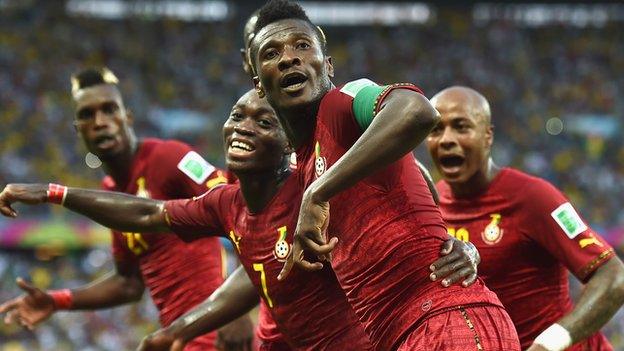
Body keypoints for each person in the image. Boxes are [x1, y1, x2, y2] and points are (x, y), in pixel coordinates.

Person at [0, 90, 480, 351]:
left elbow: (408, 174)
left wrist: (460, 246)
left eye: (264, 121)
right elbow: (150, 215)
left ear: (289, 143)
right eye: (237, 116)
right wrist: (54, 192)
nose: (243, 127)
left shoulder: (315, 189)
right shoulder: (228, 204)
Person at [246, 1, 519, 350]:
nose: (289, 58)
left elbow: (417, 111)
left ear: (327, 64)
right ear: (258, 84)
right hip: (403, 335)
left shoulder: (346, 99)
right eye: (272, 53)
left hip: (446, 322)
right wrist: (459, 244)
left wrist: (319, 191)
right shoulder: (303, 162)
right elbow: (420, 183)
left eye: (302, 45)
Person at [0, 68, 252, 351]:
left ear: (127, 117)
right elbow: (129, 283)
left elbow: (240, 207)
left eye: (109, 110)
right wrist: (55, 300)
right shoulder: (113, 194)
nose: (100, 122)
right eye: (87, 114)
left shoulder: (169, 157)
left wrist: (237, 310)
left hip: (215, 334)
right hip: (179, 339)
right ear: (77, 129)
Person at [427, 86, 624, 351]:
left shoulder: (533, 197)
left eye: (461, 127)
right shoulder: (431, 207)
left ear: (487, 137)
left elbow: (613, 276)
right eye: (436, 130)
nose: (446, 139)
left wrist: (548, 344)